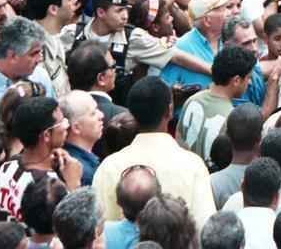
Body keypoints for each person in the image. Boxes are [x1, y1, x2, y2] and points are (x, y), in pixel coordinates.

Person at [92, 77, 216, 229]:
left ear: (132, 113)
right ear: (170, 110)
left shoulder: (109, 167)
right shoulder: (193, 165)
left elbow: (98, 230)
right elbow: (204, 229)